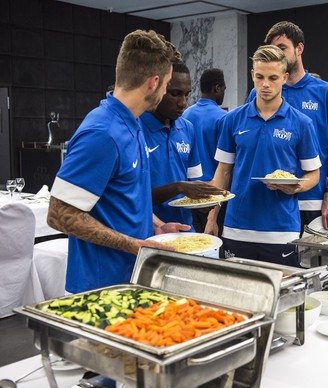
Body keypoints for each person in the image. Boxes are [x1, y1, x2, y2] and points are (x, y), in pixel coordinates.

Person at [46, 30, 223, 294]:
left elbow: (122, 196)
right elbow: (59, 215)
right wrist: (134, 245)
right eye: (166, 85)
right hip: (101, 287)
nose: (168, 93)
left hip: (133, 278)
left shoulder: (134, 124)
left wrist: (155, 225)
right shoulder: (102, 133)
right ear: (154, 83)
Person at [205, 45, 321, 266]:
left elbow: (313, 174)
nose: (266, 84)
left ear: (285, 78)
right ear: (252, 75)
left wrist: (296, 187)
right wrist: (212, 217)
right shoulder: (232, 120)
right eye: (260, 77)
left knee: (282, 296)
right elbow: (223, 172)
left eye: (273, 78)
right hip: (237, 228)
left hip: (282, 230)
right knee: (236, 297)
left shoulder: (302, 123)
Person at [247, 21, 328, 231]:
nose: (278, 54)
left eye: (283, 48)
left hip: (312, 201)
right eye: (274, 50)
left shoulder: (326, 92)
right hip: (269, 199)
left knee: (311, 262)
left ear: (299, 49)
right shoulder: (258, 94)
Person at [140, 62, 203, 228]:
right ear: (157, 88)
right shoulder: (135, 128)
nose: (183, 103)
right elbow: (131, 196)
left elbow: (193, 180)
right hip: (148, 233)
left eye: (187, 95)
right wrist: (178, 188)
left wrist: (207, 200)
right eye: (175, 94)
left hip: (185, 230)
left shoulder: (188, 128)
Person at [182, 68, 228, 232]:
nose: (223, 93)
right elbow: (226, 165)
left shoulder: (184, 116)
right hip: (213, 196)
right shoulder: (223, 118)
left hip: (189, 195)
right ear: (217, 88)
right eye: (223, 89)